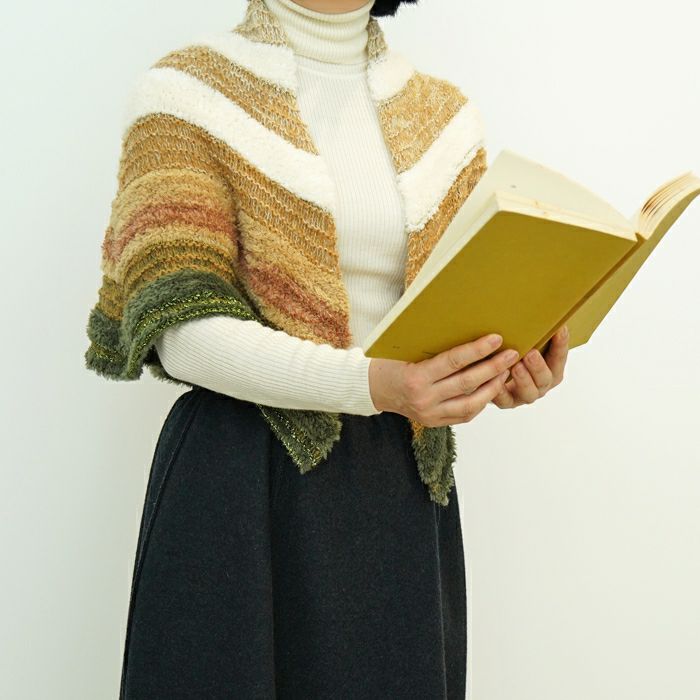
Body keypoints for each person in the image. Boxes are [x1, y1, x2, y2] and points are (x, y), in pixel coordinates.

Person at [85, 0, 569, 697]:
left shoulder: (445, 121)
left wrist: (506, 365)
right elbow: (182, 330)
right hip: (235, 483)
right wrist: (376, 384)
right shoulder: (186, 94)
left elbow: (459, 312)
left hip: (399, 487)